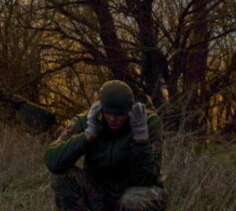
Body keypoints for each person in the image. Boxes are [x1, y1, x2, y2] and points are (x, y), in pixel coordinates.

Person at [44, 80, 164, 211]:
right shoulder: (86, 120)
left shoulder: (147, 122)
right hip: (99, 191)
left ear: (129, 111)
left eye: (119, 114)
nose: (113, 118)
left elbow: (148, 178)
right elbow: (53, 161)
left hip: (134, 189)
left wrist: (141, 139)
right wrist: (88, 135)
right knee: (61, 176)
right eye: (108, 113)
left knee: (133, 200)